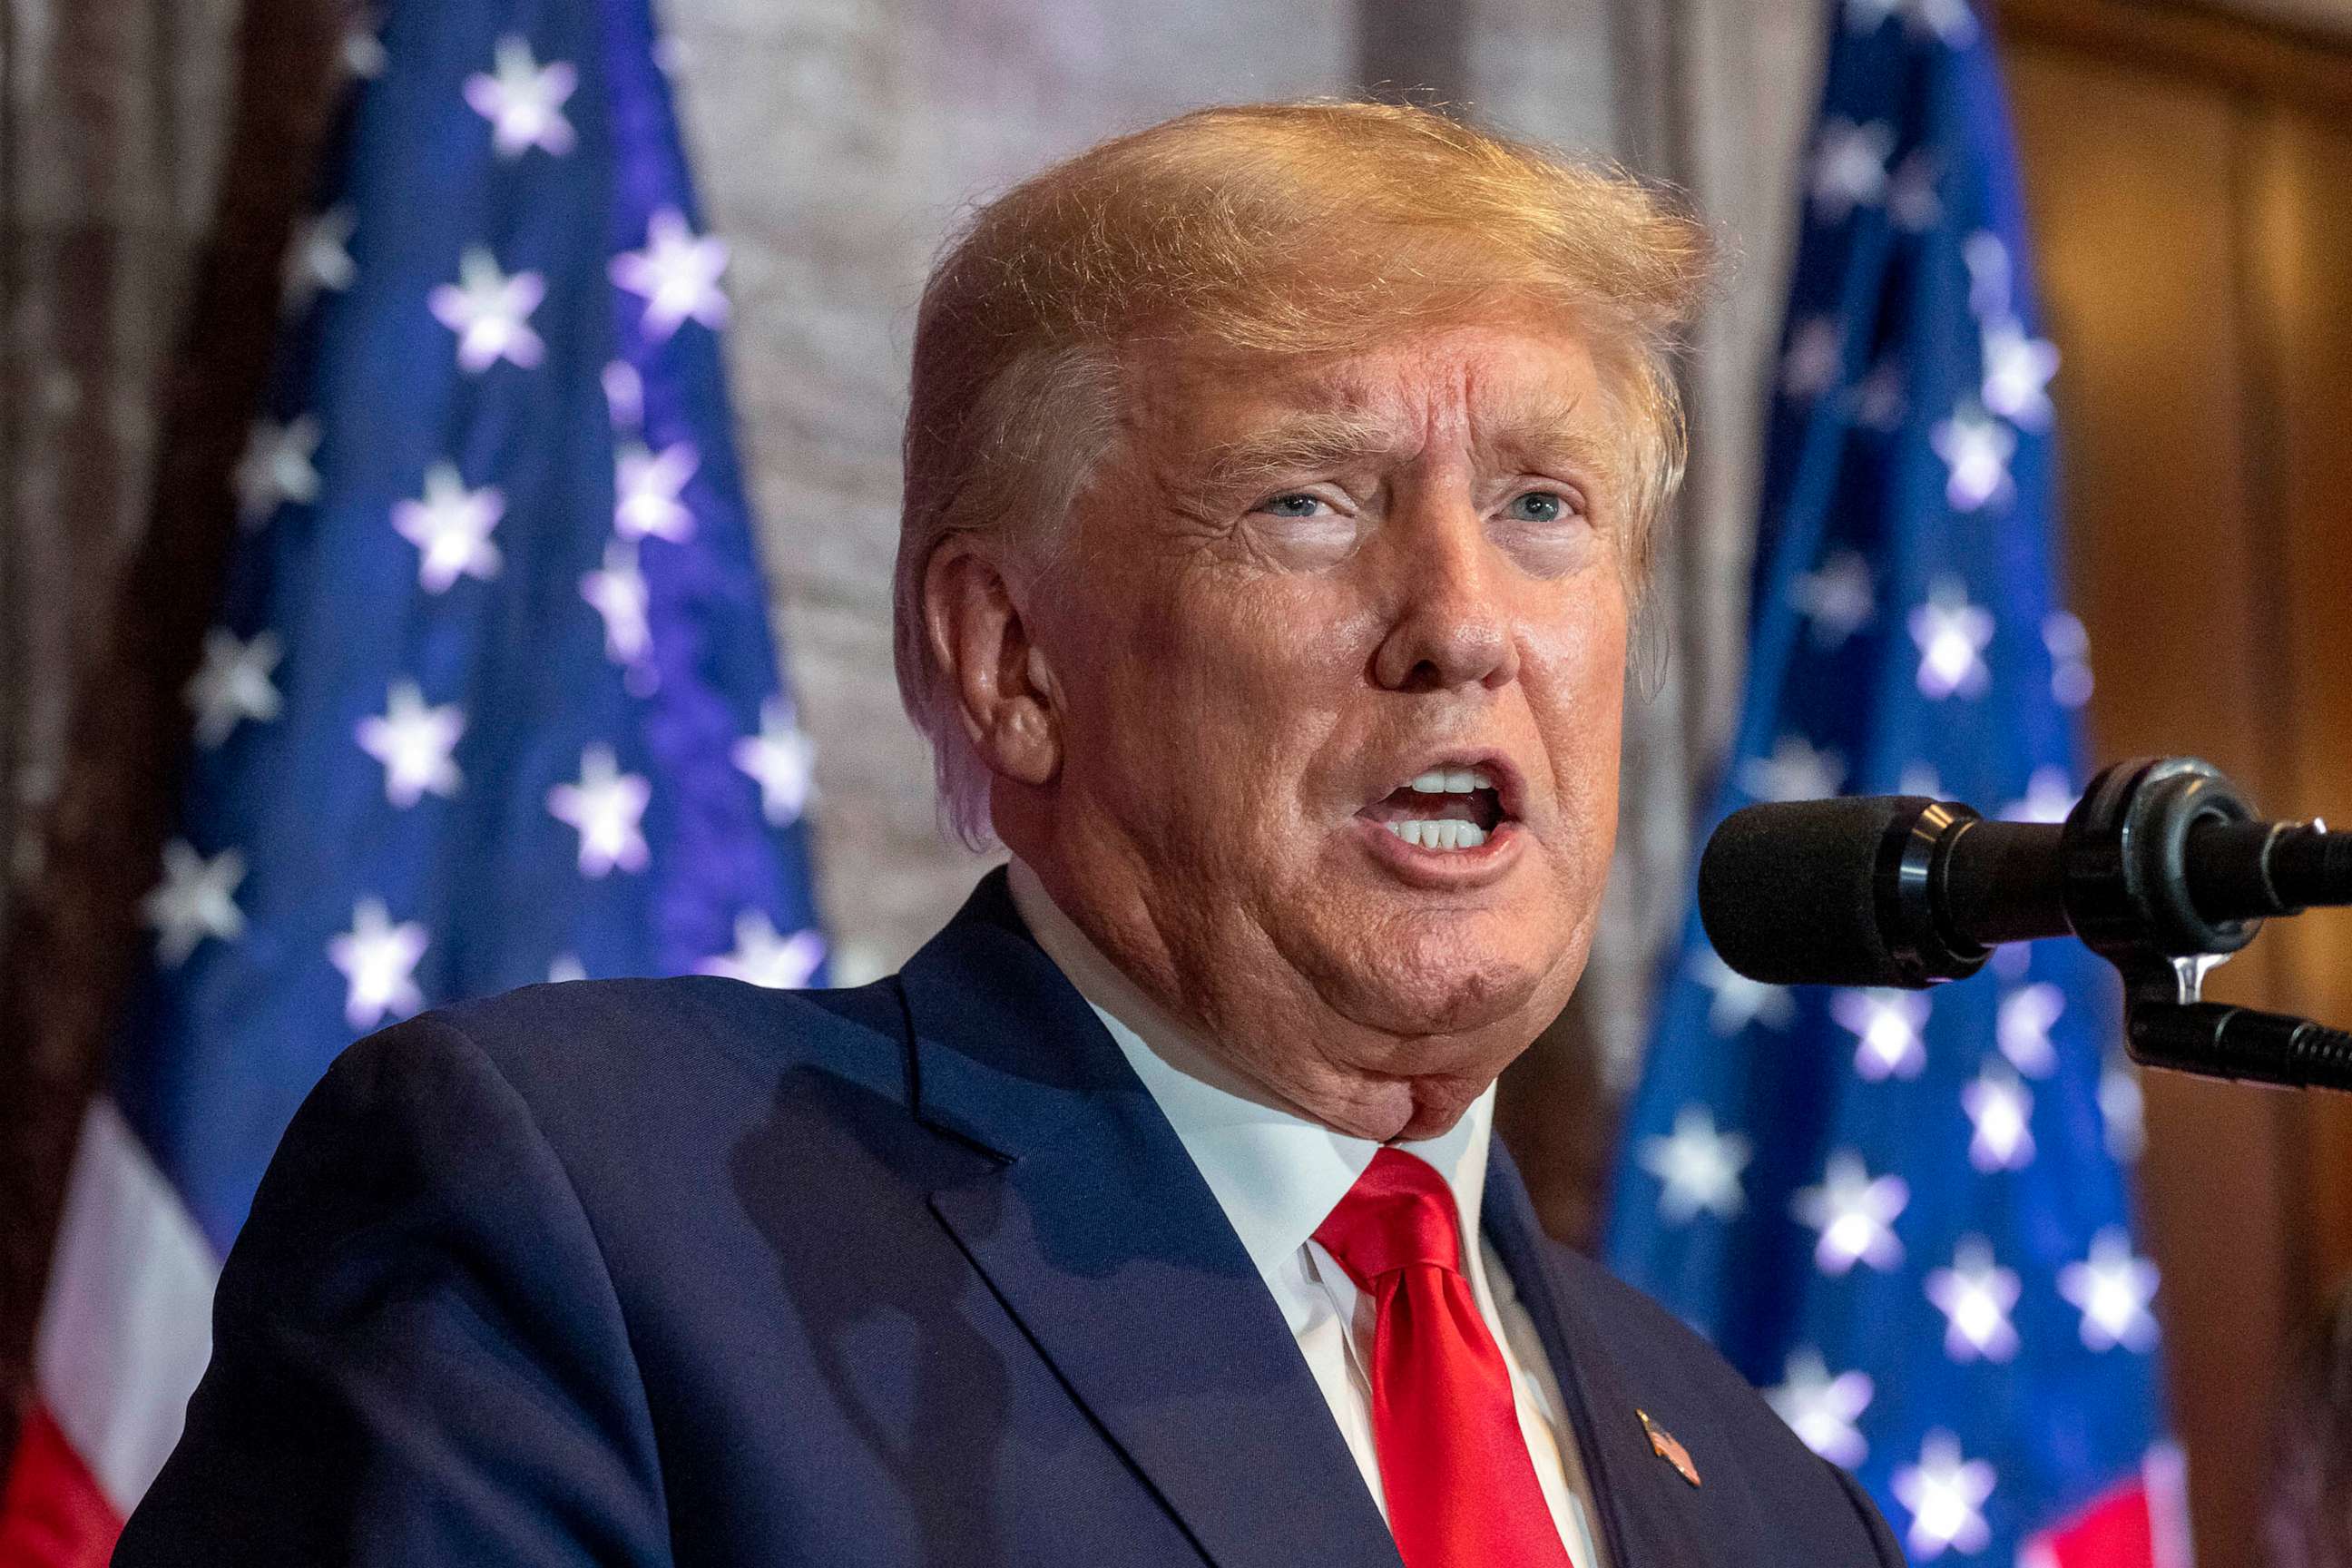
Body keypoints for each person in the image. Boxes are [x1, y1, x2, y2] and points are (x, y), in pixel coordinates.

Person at [117, 102, 1902, 1566]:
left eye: (1543, 505)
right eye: (1307, 498)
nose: (1464, 619)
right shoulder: (589, 1221)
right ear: (1011, 659)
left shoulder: (1770, 1497)